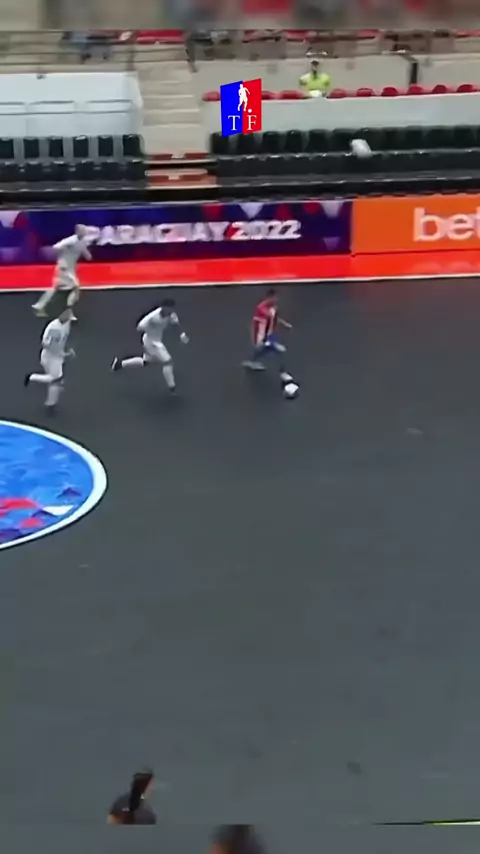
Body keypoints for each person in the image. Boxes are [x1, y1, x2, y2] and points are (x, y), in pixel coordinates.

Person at [111, 298, 189, 394]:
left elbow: (176, 324)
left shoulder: (171, 314)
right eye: (169, 309)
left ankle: (120, 364)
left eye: (172, 310)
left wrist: (182, 334)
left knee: (146, 362)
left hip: (156, 340)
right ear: (163, 308)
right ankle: (172, 387)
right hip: (151, 342)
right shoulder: (152, 317)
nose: (171, 312)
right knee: (168, 362)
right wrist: (150, 327)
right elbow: (139, 327)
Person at [32, 224, 92, 319]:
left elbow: (85, 252)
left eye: (85, 230)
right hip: (64, 268)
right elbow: (56, 247)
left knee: (56, 288)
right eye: (83, 230)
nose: (85, 232)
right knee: (75, 287)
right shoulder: (70, 240)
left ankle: (39, 306)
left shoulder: (83, 241)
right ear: (78, 231)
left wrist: (88, 256)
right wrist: (61, 260)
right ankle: (68, 313)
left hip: (71, 268)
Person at [24, 308, 74, 413]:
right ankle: (32, 377)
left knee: (55, 380)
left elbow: (64, 338)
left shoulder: (67, 323)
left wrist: (67, 349)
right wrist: (62, 354)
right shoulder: (54, 328)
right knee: (56, 378)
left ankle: (51, 402)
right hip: (51, 358)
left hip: (57, 357)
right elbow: (46, 344)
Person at [242, 288, 292, 374]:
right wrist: (257, 338)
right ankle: (282, 372)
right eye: (274, 297)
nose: (276, 299)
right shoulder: (261, 308)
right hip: (261, 335)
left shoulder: (273, 307)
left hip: (270, 333)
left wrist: (285, 324)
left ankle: (251, 362)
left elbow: (275, 317)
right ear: (269, 297)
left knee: (264, 350)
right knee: (278, 350)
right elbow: (265, 317)